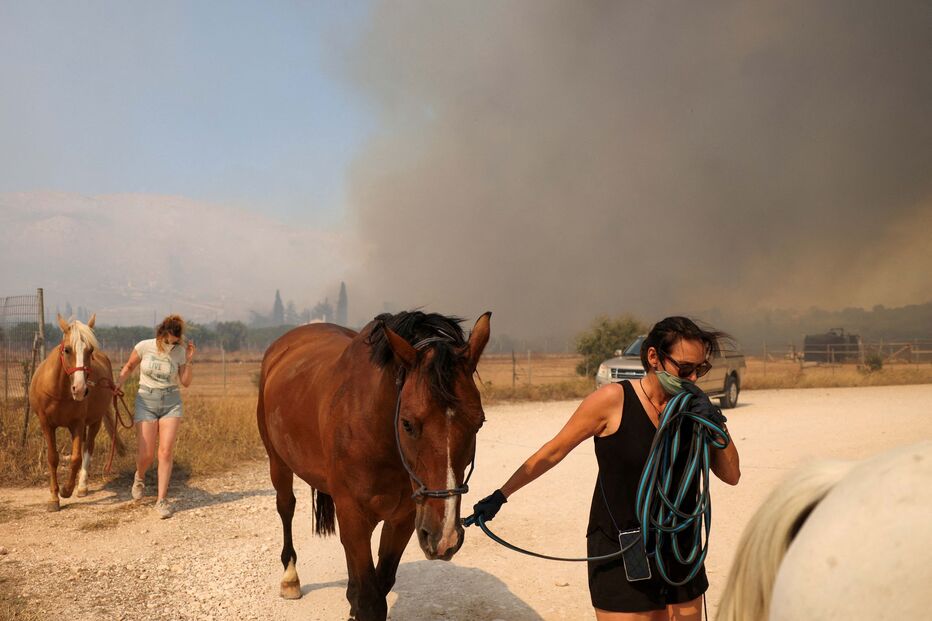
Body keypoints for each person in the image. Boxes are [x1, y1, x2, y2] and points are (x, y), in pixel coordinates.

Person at [470, 316, 741, 621]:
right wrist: (500, 495)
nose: (692, 380)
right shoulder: (613, 401)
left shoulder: (694, 411)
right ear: (653, 357)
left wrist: (716, 425)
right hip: (625, 547)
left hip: (681, 548)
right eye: (685, 369)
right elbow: (554, 451)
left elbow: (731, 476)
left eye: (700, 370)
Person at [116, 314, 195, 518]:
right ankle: (140, 477)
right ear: (163, 333)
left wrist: (188, 360)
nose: (172, 343)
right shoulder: (144, 346)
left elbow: (185, 382)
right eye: (169, 339)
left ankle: (161, 500)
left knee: (166, 452)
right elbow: (129, 366)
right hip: (146, 401)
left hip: (171, 402)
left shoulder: (179, 352)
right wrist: (118, 384)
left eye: (176, 340)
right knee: (147, 454)